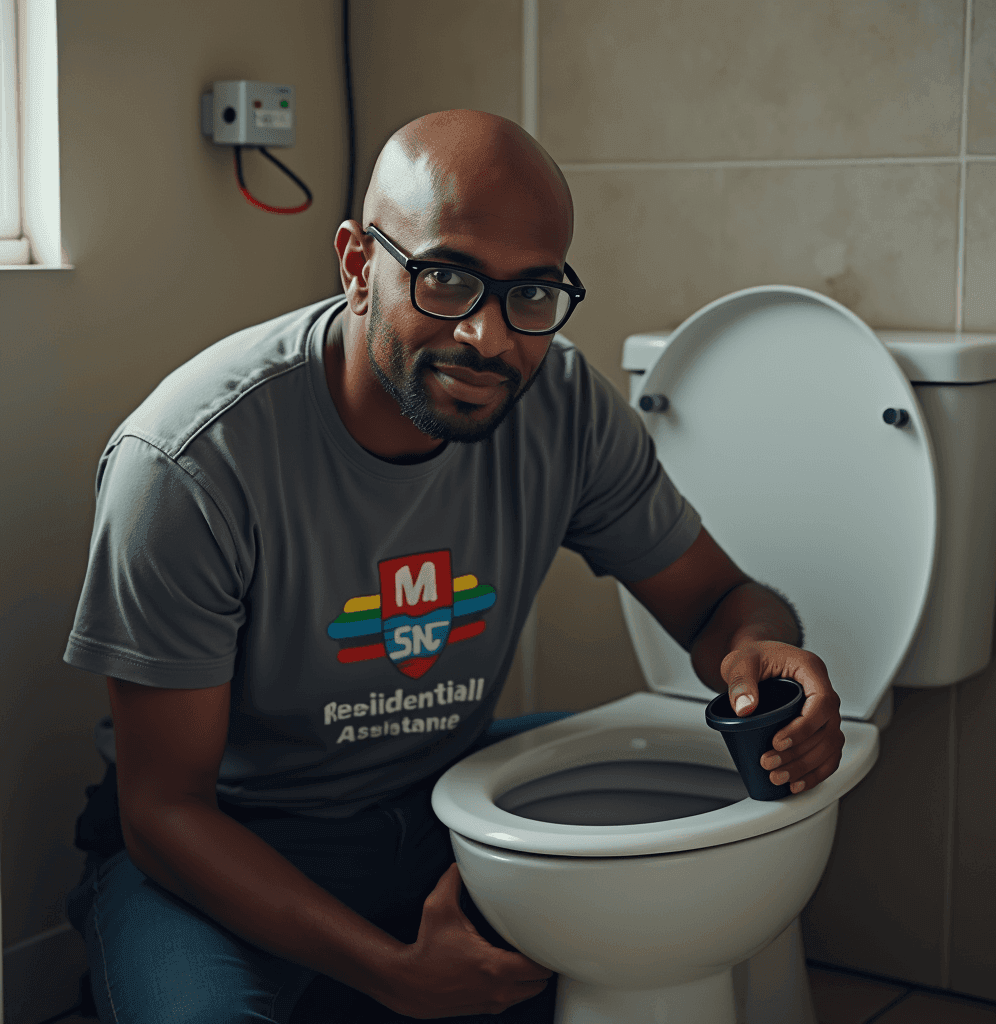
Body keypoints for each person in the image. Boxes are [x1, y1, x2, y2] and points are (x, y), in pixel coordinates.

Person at [64, 109, 844, 1024]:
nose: (489, 336)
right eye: (446, 278)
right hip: (233, 841)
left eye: (532, 294)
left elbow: (719, 600)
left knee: (684, 824)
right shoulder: (192, 463)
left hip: (441, 798)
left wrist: (763, 654)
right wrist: (391, 971)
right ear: (358, 267)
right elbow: (165, 812)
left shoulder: (564, 409)